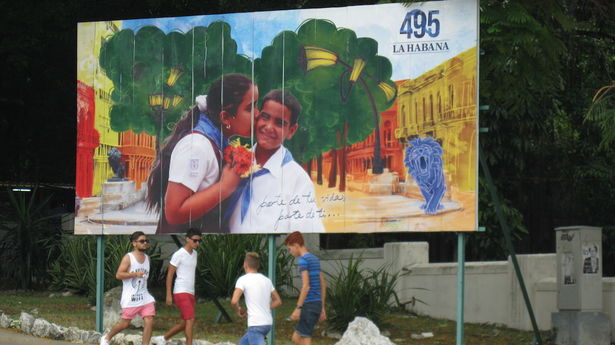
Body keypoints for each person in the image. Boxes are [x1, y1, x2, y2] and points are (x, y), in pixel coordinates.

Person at [146, 73, 259, 233]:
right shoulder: (196, 147)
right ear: (225, 117)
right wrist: (225, 187)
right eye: (250, 107)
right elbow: (173, 213)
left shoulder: (215, 143)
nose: (257, 114)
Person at [226, 90, 325, 234]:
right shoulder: (234, 161)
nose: (268, 127)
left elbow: (305, 233)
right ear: (257, 116)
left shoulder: (298, 180)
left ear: (291, 130)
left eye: (279, 123)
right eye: (265, 117)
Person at [100, 232, 156, 345]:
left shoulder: (147, 258)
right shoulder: (128, 258)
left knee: (149, 321)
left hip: (145, 297)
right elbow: (119, 275)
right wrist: (134, 275)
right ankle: (107, 337)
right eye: (142, 241)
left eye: (146, 241)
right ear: (134, 243)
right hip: (131, 298)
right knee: (125, 323)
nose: (145, 243)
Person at [153, 228, 202, 345]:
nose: (197, 243)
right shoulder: (178, 254)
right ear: (187, 239)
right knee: (190, 319)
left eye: (199, 241)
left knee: (184, 322)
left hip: (190, 292)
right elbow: (170, 275)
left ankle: (163, 338)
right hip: (180, 291)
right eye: (195, 240)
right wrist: (168, 294)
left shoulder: (195, 254)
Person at [284, 231, 326, 345]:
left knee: (305, 339)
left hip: (308, 305)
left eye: (290, 248)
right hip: (316, 304)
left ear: (296, 245)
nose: (290, 252)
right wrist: (322, 307)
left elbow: (306, 286)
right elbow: (323, 284)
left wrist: (298, 308)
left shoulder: (303, 261)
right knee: (297, 338)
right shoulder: (314, 259)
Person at [231, 252, 282, 345]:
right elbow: (278, 301)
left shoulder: (243, 280)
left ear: (245, 264)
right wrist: (265, 307)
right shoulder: (267, 280)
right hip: (267, 323)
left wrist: (238, 310)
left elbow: (234, 301)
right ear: (258, 266)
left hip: (256, 324)